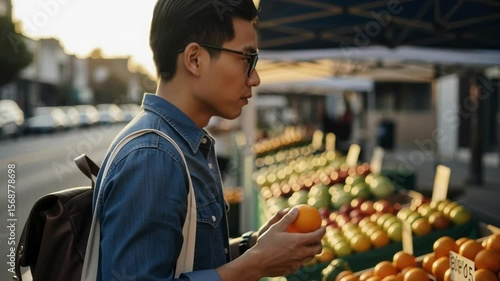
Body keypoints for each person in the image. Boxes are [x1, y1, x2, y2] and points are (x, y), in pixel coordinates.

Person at [92, 0, 325, 280]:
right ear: (194, 59)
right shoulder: (154, 155)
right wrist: (255, 265)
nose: (256, 79)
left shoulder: (180, 144)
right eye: (247, 59)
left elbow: (186, 259)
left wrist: (251, 247)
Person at [205, 116, 240, 182]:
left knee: (221, 179)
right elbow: (212, 128)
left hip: (224, 153)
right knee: (216, 179)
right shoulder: (215, 115)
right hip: (218, 153)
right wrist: (230, 129)